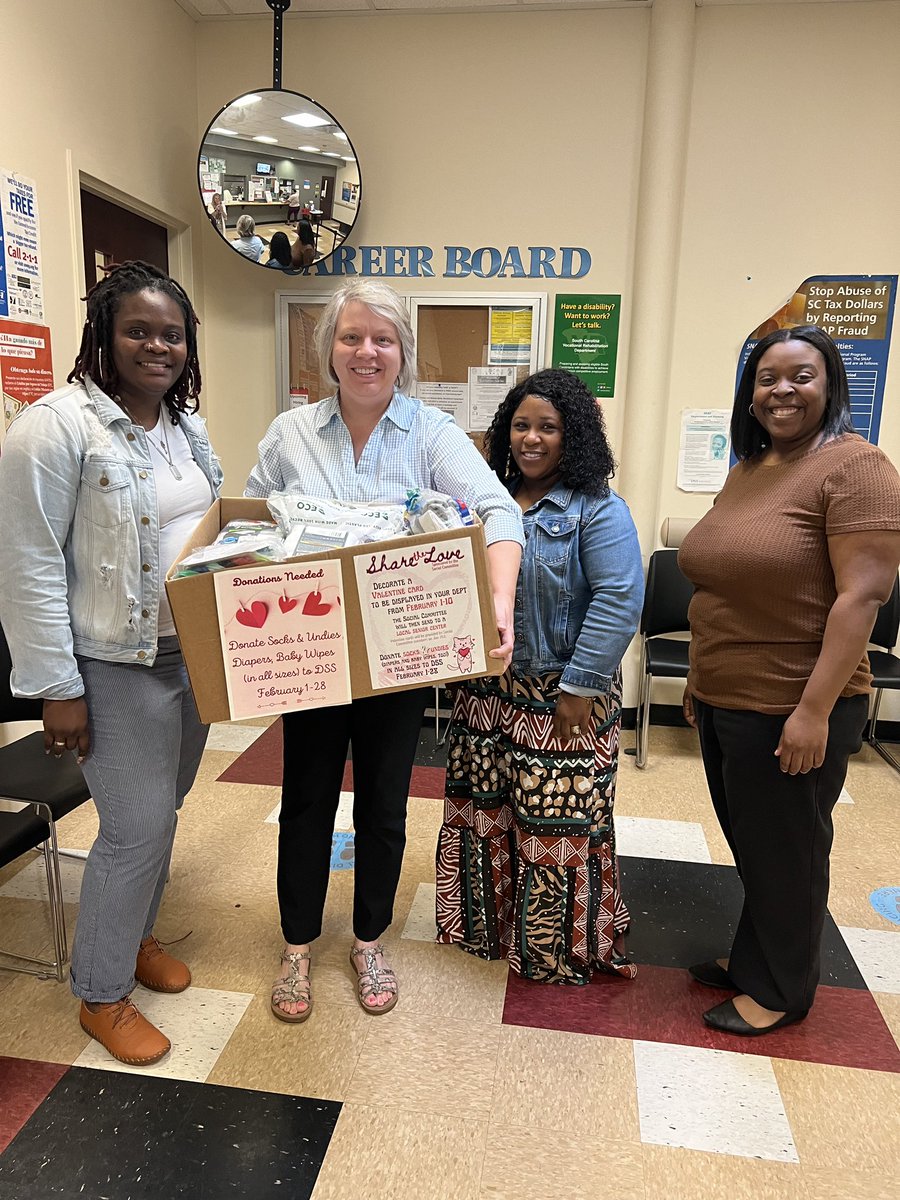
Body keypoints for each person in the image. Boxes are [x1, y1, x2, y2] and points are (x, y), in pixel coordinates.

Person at [244, 279, 524, 1022]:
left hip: (399, 660)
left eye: (383, 340)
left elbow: (496, 509)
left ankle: (369, 940)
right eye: (350, 338)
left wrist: (497, 599)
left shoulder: (431, 434)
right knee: (303, 802)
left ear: (402, 353)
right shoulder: (290, 434)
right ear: (327, 349)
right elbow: (248, 526)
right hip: (308, 655)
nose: (366, 352)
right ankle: (298, 946)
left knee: (384, 805)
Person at [0, 261, 223, 1065]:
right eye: (138, 330)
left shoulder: (181, 424)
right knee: (132, 827)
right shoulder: (53, 428)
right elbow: (24, 564)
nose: (156, 346)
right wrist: (56, 688)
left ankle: (131, 936)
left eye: (172, 334)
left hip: (189, 654)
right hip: (111, 663)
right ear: (103, 333)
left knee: (166, 809)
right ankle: (100, 992)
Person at [678, 326, 900, 1036]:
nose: (782, 390)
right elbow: (727, 577)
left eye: (801, 376)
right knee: (758, 845)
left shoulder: (856, 467)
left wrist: (813, 711)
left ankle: (780, 991)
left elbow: (860, 598)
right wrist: (699, 677)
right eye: (767, 377)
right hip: (727, 692)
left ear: (831, 384)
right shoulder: (754, 466)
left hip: (791, 702)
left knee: (791, 852)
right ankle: (757, 958)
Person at [434, 369, 644, 983]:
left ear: (571, 437)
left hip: (560, 694)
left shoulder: (597, 509)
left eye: (547, 428)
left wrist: (580, 687)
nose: (531, 439)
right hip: (486, 694)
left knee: (556, 827)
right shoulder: (483, 501)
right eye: (521, 426)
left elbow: (619, 598)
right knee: (487, 814)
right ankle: (490, 930)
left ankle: (555, 948)